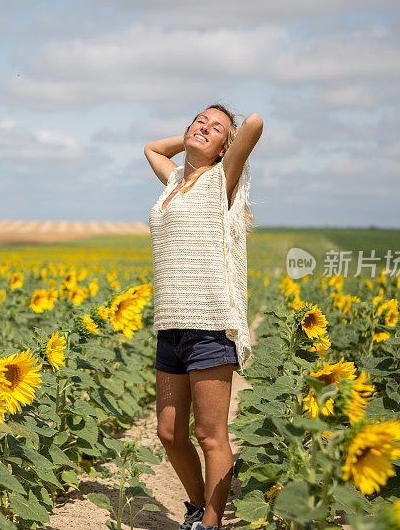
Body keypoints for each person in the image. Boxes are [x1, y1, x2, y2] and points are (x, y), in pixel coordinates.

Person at [144, 103, 263, 530]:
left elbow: (254, 124)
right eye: (199, 121)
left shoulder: (220, 180)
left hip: (210, 326)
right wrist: (192, 137)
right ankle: (198, 505)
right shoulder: (174, 181)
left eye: (215, 129)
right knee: (170, 434)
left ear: (223, 148)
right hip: (171, 325)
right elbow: (152, 148)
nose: (204, 128)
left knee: (210, 435)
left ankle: (210, 524)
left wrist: (224, 144)